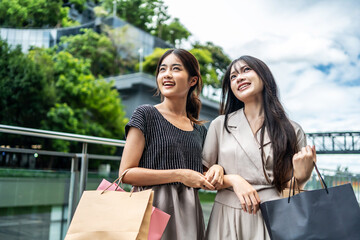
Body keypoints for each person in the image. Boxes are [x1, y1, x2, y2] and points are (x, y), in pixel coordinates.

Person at [202, 55, 316, 239]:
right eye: (233, 76)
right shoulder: (220, 124)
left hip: (274, 217)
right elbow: (204, 179)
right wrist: (233, 179)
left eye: (246, 70)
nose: (239, 77)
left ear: (264, 76)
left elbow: (291, 192)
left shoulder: (293, 130)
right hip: (227, 217)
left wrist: (302, 178)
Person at [119, 49, 221, 240]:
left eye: (175, 69)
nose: (166, 74)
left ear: (193, 80)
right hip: (151, 208)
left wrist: (216, 167)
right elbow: (125, 174)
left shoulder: (199, 130)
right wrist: (180, 174)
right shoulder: (146, 114)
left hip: (189, 214)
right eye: (162, 69)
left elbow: (205, 176)